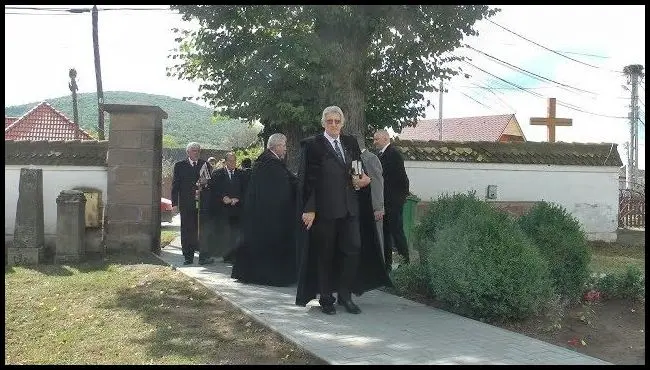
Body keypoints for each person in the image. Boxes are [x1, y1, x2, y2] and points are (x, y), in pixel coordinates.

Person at [295, 105, 392, 315]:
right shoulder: (313, 145)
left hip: (350, 208)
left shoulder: (349, 142)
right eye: (329, 121)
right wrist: (309, 208)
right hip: (324, 210)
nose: (333, 125)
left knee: (353, 250)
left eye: (337, 121)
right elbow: (307, 180)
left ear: (342, 123)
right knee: (325, 255)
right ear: (323, 123)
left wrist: (363, 179)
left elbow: (358, 170)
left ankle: (345, 295)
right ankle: (326, 298)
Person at [231, 133, 299, 286]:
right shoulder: (271, 164)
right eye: (284, 146)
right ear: (277, 146)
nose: (286, 149)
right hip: (270, 216)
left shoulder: (266, 161)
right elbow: (284, 186)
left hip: (260, 214)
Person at [373, 129, 411, 272]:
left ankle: (405, 263)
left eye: (377, 139)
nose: (374, 142)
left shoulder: (393, 154)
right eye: (374, 139)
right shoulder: (380, 155)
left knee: (397, 232)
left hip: (393, 201)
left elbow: (398, 179)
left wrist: (399, 198)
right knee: (386, 233)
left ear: (385, 138)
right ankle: (386, 264)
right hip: (385, 201)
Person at [171, 142, 214, 265]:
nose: (197, 153)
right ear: (188, 152)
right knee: (187, 230)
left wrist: (206, 182)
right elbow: (175, 185)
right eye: (194, 150)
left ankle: (203, 256)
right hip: (187, 203)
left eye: (198, 151)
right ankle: (188, 256)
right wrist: (174, 204)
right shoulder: (180, 165)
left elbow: (211, 183)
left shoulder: (204, 164)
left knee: (203, 229)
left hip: (202, 203)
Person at [207, 152, 243, 261]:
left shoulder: (242, 174)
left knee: (235, 233)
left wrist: (238, 198)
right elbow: (213, 190)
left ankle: (234, 255)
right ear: (226, 162)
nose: (232, 163)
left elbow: (245, 189)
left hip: (237, 209)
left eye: (234, 161)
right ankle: (226, 255)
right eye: (230, 161)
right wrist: (223, 197)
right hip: (222, 209)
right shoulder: (217, 174)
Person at [359, 140, 386, 257]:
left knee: (377, 239)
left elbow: (377, 184)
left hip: (373, 207)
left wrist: (378, 207)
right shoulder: (358, 159)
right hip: (362, 206)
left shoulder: (370, 158)